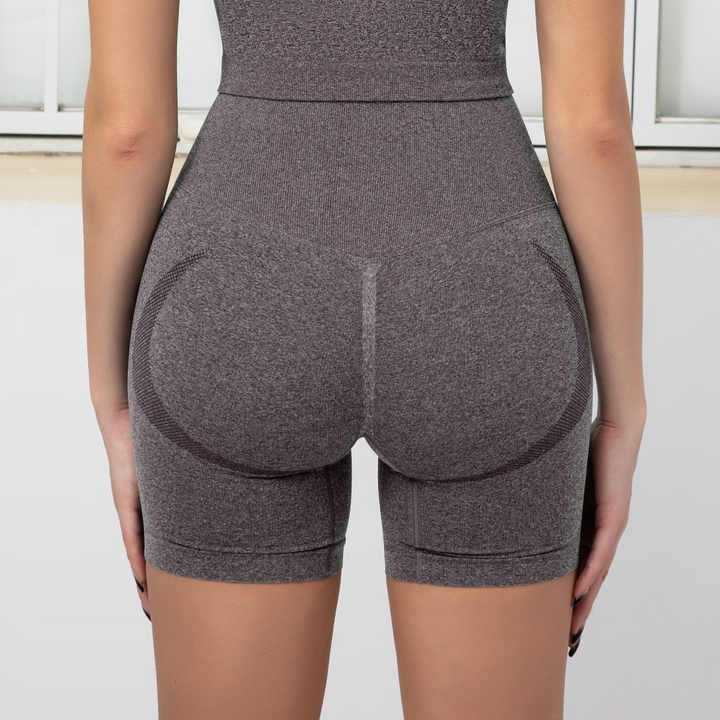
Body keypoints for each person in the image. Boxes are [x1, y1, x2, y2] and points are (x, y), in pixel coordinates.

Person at [82, 1, 646, 717]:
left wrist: (114, 399)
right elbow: (594, 126)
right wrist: (621, 412)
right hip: (486, 278)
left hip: (235, 279)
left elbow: (126, 131)